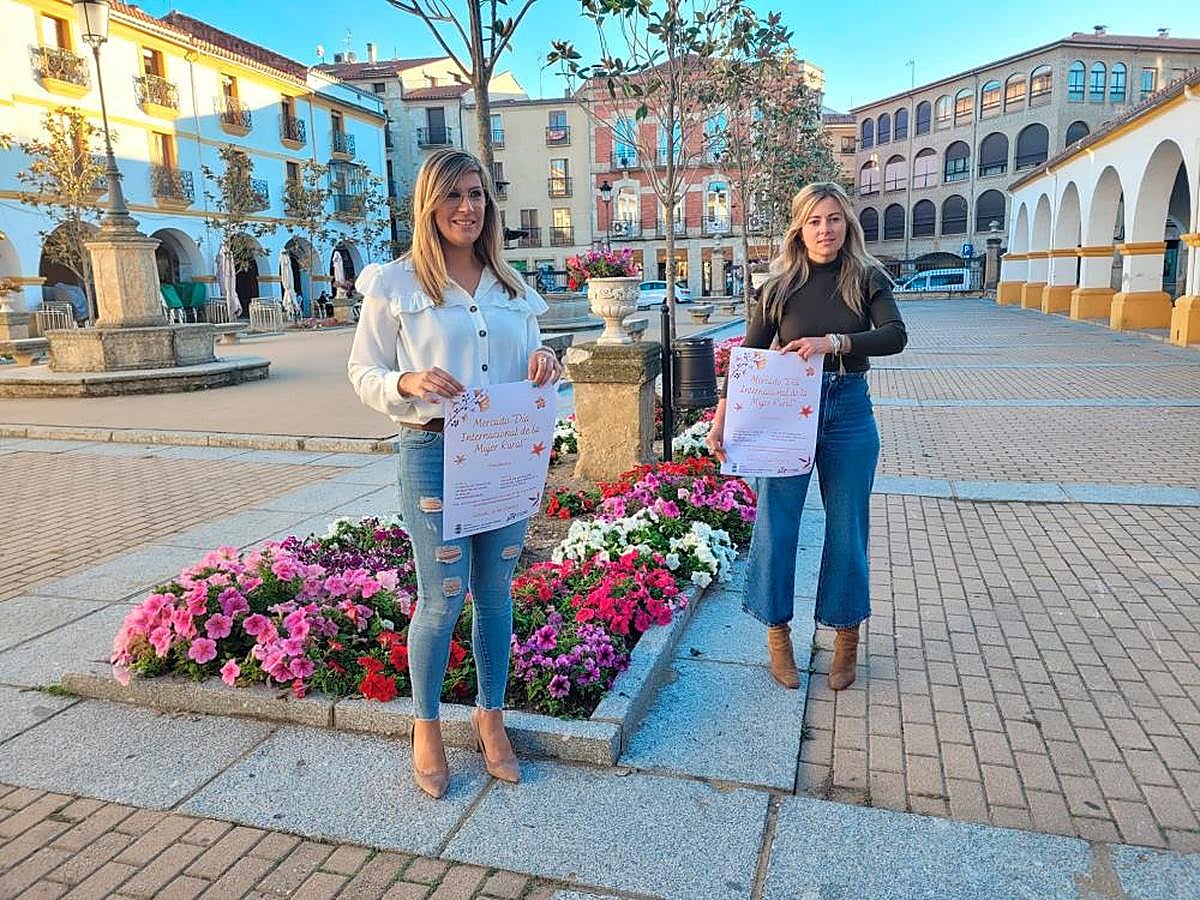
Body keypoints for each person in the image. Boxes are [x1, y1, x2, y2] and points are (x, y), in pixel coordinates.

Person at [348, 148, 563, 798]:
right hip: (433, 452)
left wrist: (547, 362)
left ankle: (490, 717)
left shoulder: (510, 285)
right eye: (453, 195)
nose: (467, 208)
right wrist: (407, 381)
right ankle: (427, 726)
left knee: (496, 593)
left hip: (504, 454)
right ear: (429, 204)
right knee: (441, 597)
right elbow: (363, 372)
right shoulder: (395, 283)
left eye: (476, 195)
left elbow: (534, 361)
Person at [706, 181, 906, 693]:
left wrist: (832, 342)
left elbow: (894, 336)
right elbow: (749, 356)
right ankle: (777, 637)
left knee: (847, 528)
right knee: (776, 524)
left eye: (834, 219)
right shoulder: (778, 287)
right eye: (814, 220)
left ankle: (846, 637)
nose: (825, 229)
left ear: (847, 223)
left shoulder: (866, 277)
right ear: (799, 227)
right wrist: (723, 417)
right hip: (784, 414)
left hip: (848, 409)